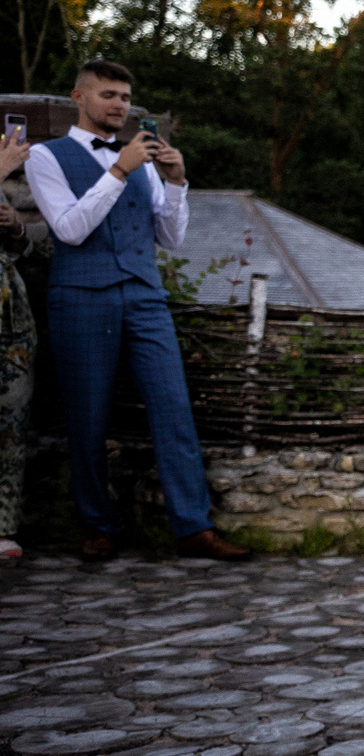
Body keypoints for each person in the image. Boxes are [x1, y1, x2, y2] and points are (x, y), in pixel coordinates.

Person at [25, 59, 249, 562]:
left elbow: (169, 238)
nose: (119, 105)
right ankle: (98, 526)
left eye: (125, 97)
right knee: (86, 415)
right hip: (81, 296)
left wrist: (175, 182)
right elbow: (69, 230)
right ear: (78, 98)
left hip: (146, 295)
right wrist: (120, 169)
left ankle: (193, 527)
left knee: (172, 407)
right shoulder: (47, 156)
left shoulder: (145, 161)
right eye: (108, 95)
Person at [0, 128, 35, 564]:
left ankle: (3, 527)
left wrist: (15, 228)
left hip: (12, 325)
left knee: (12, 425)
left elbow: (23, 250)